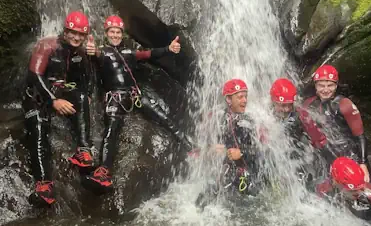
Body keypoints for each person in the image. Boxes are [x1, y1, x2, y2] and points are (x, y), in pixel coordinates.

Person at [83, 15, 188, 192]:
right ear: (107, 33)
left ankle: (189, 144)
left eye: (118, 32)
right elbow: (94, 54)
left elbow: (149, 54)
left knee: (162, 116)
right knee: (111, 130)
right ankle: (103, 170)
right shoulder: (102, 52)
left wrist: (168, 49)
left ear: (122, 34)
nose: (115, 35)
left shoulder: (129, 52)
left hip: (134, 95)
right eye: (112, 32)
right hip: (115, 98)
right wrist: (91, 50)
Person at [22, 11, 94, 206]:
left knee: (80, 96)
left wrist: (87, 95)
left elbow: (86, 76)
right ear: (65, 30)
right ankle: (44, 185)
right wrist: (53, 100)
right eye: (73, 32)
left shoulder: (79, 51)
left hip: (59, 90)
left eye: (81, 34)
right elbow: (34, 77)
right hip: (37, 94)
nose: (77, 37)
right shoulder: (47, 45)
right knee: (39, 126)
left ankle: (83, 150)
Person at [196, 79, 261, 209]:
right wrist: (209, 149)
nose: (244, 101)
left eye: (245, 97)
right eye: (240, 97)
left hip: (245, 175)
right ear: (228, 100)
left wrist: (241, 152)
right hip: (224, 173)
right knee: (201, 202)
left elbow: (259, 151)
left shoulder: (248, 122)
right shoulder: (218, 117)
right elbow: (204, 144)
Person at [303, 65, 371, 183]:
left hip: (350, 154)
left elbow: (360, 136)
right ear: (315, 86)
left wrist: (362, 163)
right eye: (321, 85)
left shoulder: (344, 104)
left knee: (365, 192)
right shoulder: (309, 104)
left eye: (330, 85)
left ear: (336, 86)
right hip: (327, 156)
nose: (325, 90)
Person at [269, 78, 333, 186]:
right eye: (283, 105)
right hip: (274, 158)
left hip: (297, 158)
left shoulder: (302, 116)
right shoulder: (263, 115)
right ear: (273, 101)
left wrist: (331, 164)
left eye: (290, 105)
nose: (287, 109)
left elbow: (319, 140)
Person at [316, 157, 371, 222]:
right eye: (353, 190)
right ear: (336, 182)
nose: (358, 192)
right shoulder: (327, 185)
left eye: (360, 188)